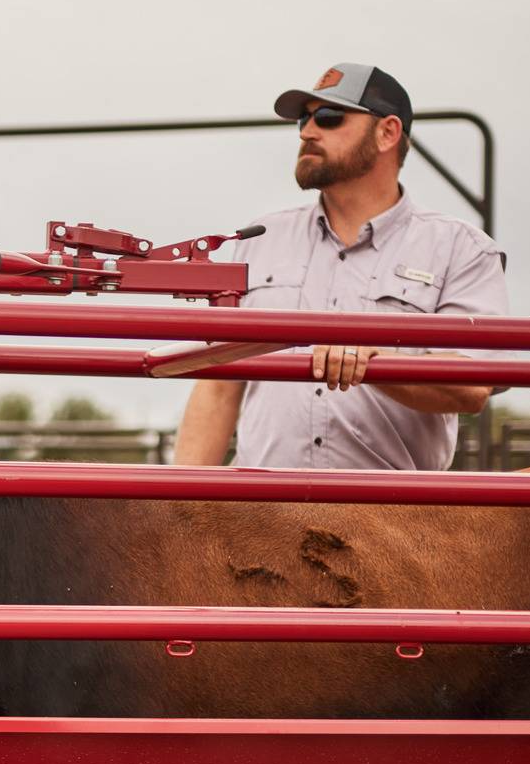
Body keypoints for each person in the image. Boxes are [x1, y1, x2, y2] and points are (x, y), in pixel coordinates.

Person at [173, 63, 508, 470]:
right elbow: (218, 385)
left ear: (388, 133)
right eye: (304, 118)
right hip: (262, 515)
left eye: (329, 117)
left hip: (389, 520)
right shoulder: (259, 241)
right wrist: (181, 505)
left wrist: (373, 360)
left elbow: (471, 384)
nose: (307, 131)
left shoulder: (462, 249)